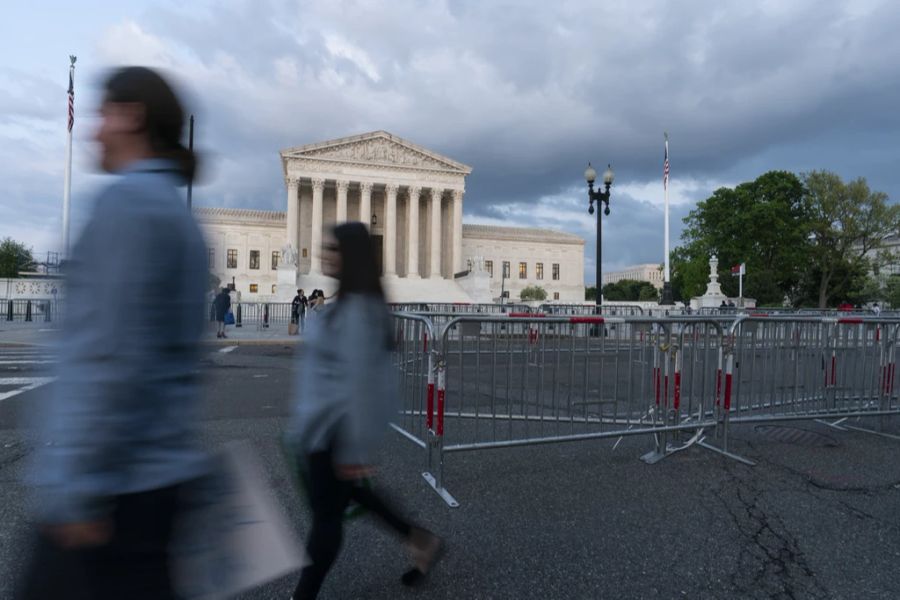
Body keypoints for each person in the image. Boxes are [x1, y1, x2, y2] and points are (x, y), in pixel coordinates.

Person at [19, 66, 209, 599]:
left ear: (133, 117)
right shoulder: (182, 219)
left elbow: (105, 355)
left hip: (112, 487)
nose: (94, 129)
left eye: (103, 113)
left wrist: (78, 488)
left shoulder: (124, 205)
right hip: (160, 476)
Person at [286, 222, 443, 600]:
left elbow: (361, 384)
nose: (325, 255)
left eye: (333, 249)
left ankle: (303, 595)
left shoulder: (358, 311)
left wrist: (354, 449)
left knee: (327, 520)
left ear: (351, 256)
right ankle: (421, 541)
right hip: (324, 426)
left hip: (336, 429)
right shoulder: (346, 305)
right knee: (350, 497)